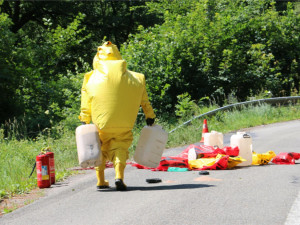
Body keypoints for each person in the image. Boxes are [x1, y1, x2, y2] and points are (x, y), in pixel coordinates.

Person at [79, 41, 156, 191]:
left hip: (102, 125)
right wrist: (150, 116)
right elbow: (144, 101)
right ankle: (119, 177)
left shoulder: (90, 77)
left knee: (99, 148)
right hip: (124, 124)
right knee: (120, 147)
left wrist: (84, 119)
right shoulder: (137, 78)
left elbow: (85, 101)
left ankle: (101, 181)